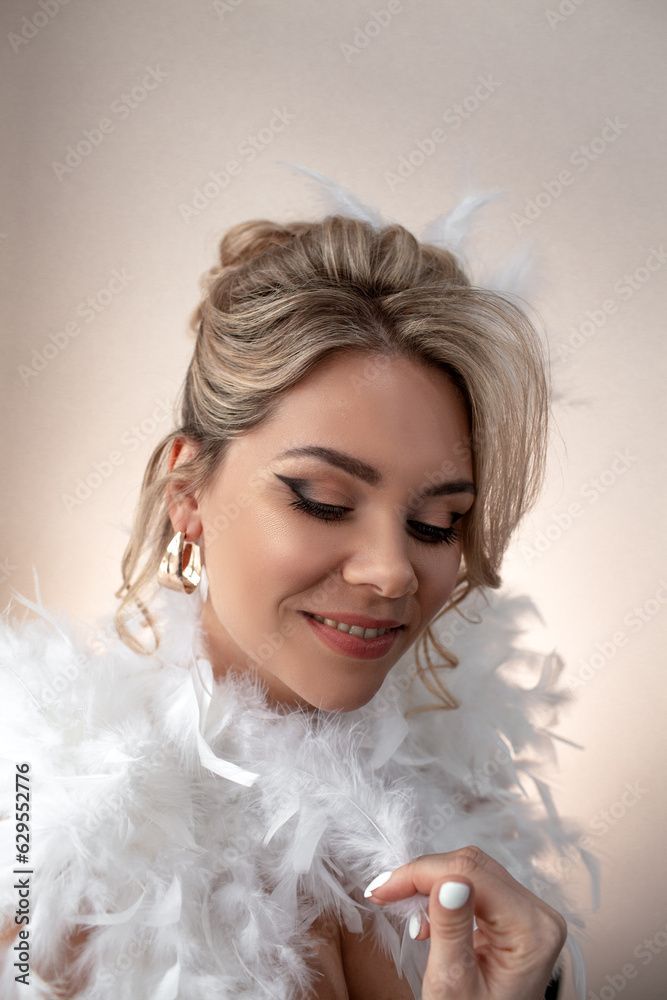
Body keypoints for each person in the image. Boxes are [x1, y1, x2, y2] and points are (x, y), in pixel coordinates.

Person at [0, 212, 594, 999]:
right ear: (187, 493)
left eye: (435, 523)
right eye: (320, 500)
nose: (392, 572)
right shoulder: (49, 844)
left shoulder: (466, 818)